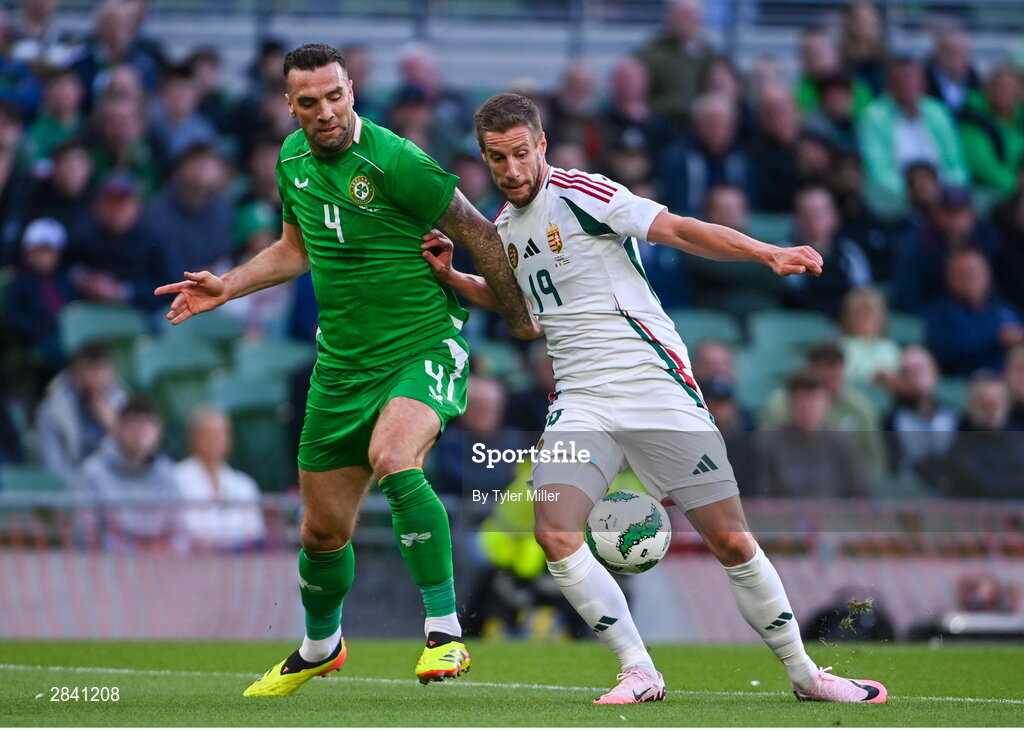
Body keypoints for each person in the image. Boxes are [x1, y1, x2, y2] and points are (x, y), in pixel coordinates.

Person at [422, 91, 886, 704]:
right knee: (554, 531)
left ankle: (807, 675)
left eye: (518, 154)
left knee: (731, 541)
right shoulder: (504, 229)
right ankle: (638, 669)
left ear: (540, 146)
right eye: (495, 158)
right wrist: (457, 279)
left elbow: (677, 229)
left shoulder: (581, 193)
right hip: (582, 399)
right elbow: (529, 318)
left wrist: (766, 251)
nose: (509, 170)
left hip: (652, 384)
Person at [154, 44, 538, 695]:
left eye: (335, 96)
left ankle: (445, 632)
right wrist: (229, 286)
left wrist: (521, 319)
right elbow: (293, 249)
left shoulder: (396, 160)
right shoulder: (291, 160)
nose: (325, 111)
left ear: (351, 89)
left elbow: (482, 233)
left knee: (394, 457)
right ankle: (320, 645)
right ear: (290, 105)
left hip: (421, 347)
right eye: (309, 102)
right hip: (340, 366)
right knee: (322, 530)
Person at [175, 405, 266, 551]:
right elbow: (186, 530)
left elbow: (254, 532)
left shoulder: (244, 484)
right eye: (208, 434)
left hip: (238, 564)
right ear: (193, 438)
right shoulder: (177, 478)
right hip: (193, 564)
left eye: (221, 434)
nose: (215, 440)